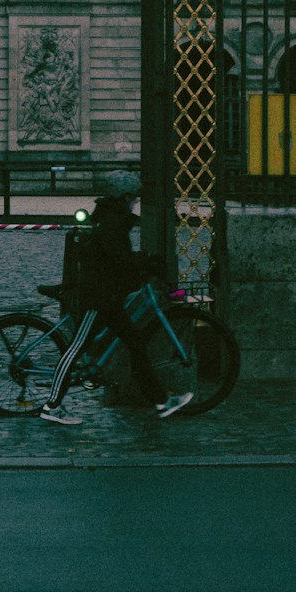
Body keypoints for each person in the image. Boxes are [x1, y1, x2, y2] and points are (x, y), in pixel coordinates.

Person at [39, 173, 193, 424]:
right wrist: (146, 262)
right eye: (133, 197)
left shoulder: (113, 219)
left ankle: (162, 401)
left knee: (136, 345)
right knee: (75, 350)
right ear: (124, 198)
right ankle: (52, 405)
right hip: (98, 299)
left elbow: (118, 257)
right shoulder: (112, 222)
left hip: (109, 298)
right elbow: (119, 259)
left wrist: (142, 261)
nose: (135, 202)